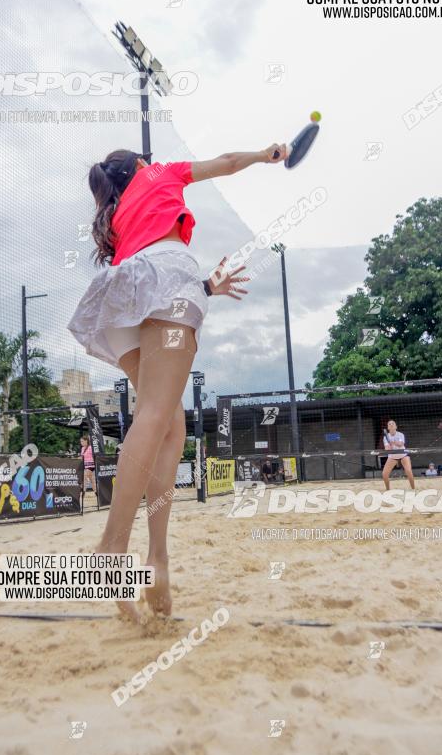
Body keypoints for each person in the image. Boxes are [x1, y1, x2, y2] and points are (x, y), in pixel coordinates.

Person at [68, 143, 287, 621]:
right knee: (156, 419)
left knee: (170, 423)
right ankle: (114, 547)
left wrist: (207, 287)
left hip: (125, 301)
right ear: (142, 167)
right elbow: (227, 162)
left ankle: (156, 560)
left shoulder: (118, 209)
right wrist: (268, 154)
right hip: (166, 288)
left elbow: (148, 270)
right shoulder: (161, 173)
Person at [382, 419, 415, 490]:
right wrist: (389, 446)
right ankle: (388, 489)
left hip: (403, 455)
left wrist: (392, 442)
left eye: (392, 423)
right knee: (384, 474)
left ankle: (413, 488)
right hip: (392, 457)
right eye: (389, 424)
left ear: (396, 426)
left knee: (408, 471)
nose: (391, 425)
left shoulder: (400, 434)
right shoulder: (386, 437)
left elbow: (400, 444)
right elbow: (387, 448)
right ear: (388, 428)